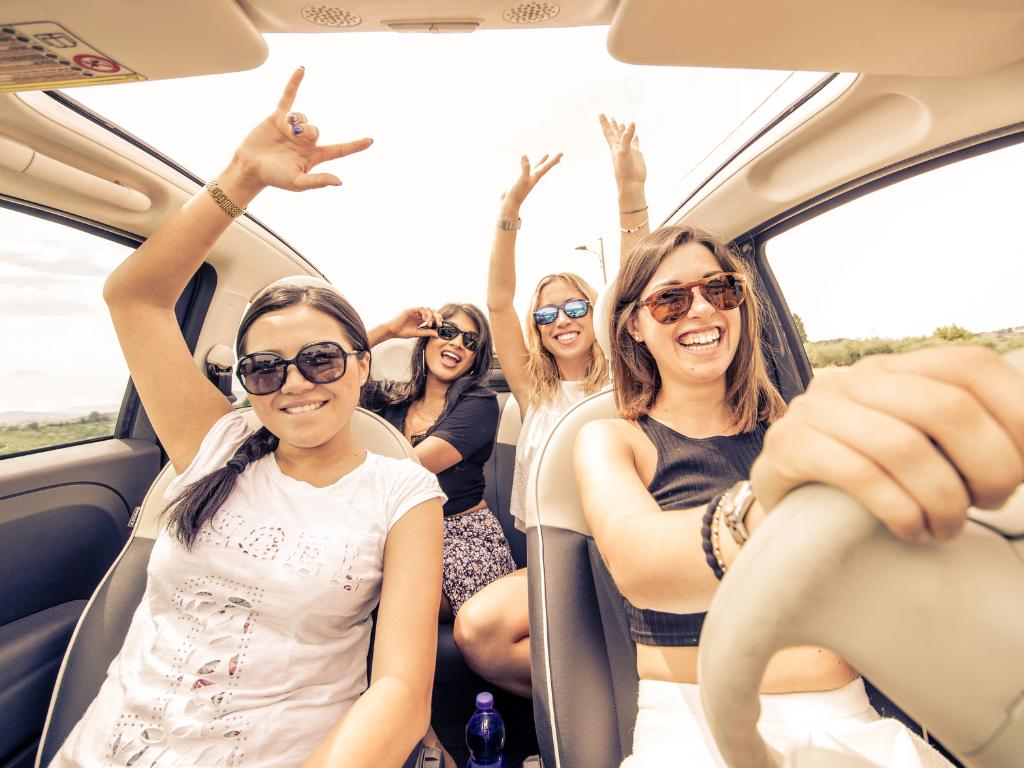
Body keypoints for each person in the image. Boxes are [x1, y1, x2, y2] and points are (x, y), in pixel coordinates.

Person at [50, 69, 446, 768]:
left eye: (321, 360)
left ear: (362, 364)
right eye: (265, 368)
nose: (293, 385)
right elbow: (135, 298)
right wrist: (242, 176)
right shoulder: (217, 443)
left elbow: (400, 692)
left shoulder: (402, 492)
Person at [574, 223, 1024, 765]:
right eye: (670, 300)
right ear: (634, 328)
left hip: (852, 720)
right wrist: (763, 516)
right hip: (696, 727)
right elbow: (637, 562)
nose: (700, 310)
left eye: (719, 290)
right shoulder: (613, 440)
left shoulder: (795, 426)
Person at [453, 115, 644, 697]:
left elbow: (637, 278)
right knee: (478, 632)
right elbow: (498, 300)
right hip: (556, 552)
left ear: (598, 314)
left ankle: (630, 689)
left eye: (574, 308)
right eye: (546, 313)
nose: (560, 320)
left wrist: (630, 192)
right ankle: (590, 696)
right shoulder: (533, 388)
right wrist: (511, 208)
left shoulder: (631, 377)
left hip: (627, 548)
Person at [361, 304, 515, 620]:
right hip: (400, 535)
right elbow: (333, 370)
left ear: (475, 358)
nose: (457, 343)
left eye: (470, 341)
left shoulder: (479, 403)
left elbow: (412, 464)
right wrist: (389, 331)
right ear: (426, 340)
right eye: (447, 332)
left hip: (463, 542)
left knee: (374, 593)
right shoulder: (392, 398)